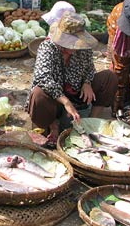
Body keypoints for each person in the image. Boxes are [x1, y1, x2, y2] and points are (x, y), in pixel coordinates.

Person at [27, 11, 118, 143]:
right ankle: (53, 126)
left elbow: (89, 68)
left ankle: (90, 122)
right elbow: (43, 77)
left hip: (76, 92)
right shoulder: (47, 48)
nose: (73, 48)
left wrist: (86, 83)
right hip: (54, 98)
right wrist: (65, 102)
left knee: (109, 77)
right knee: (38, 94)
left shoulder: (83, 48)